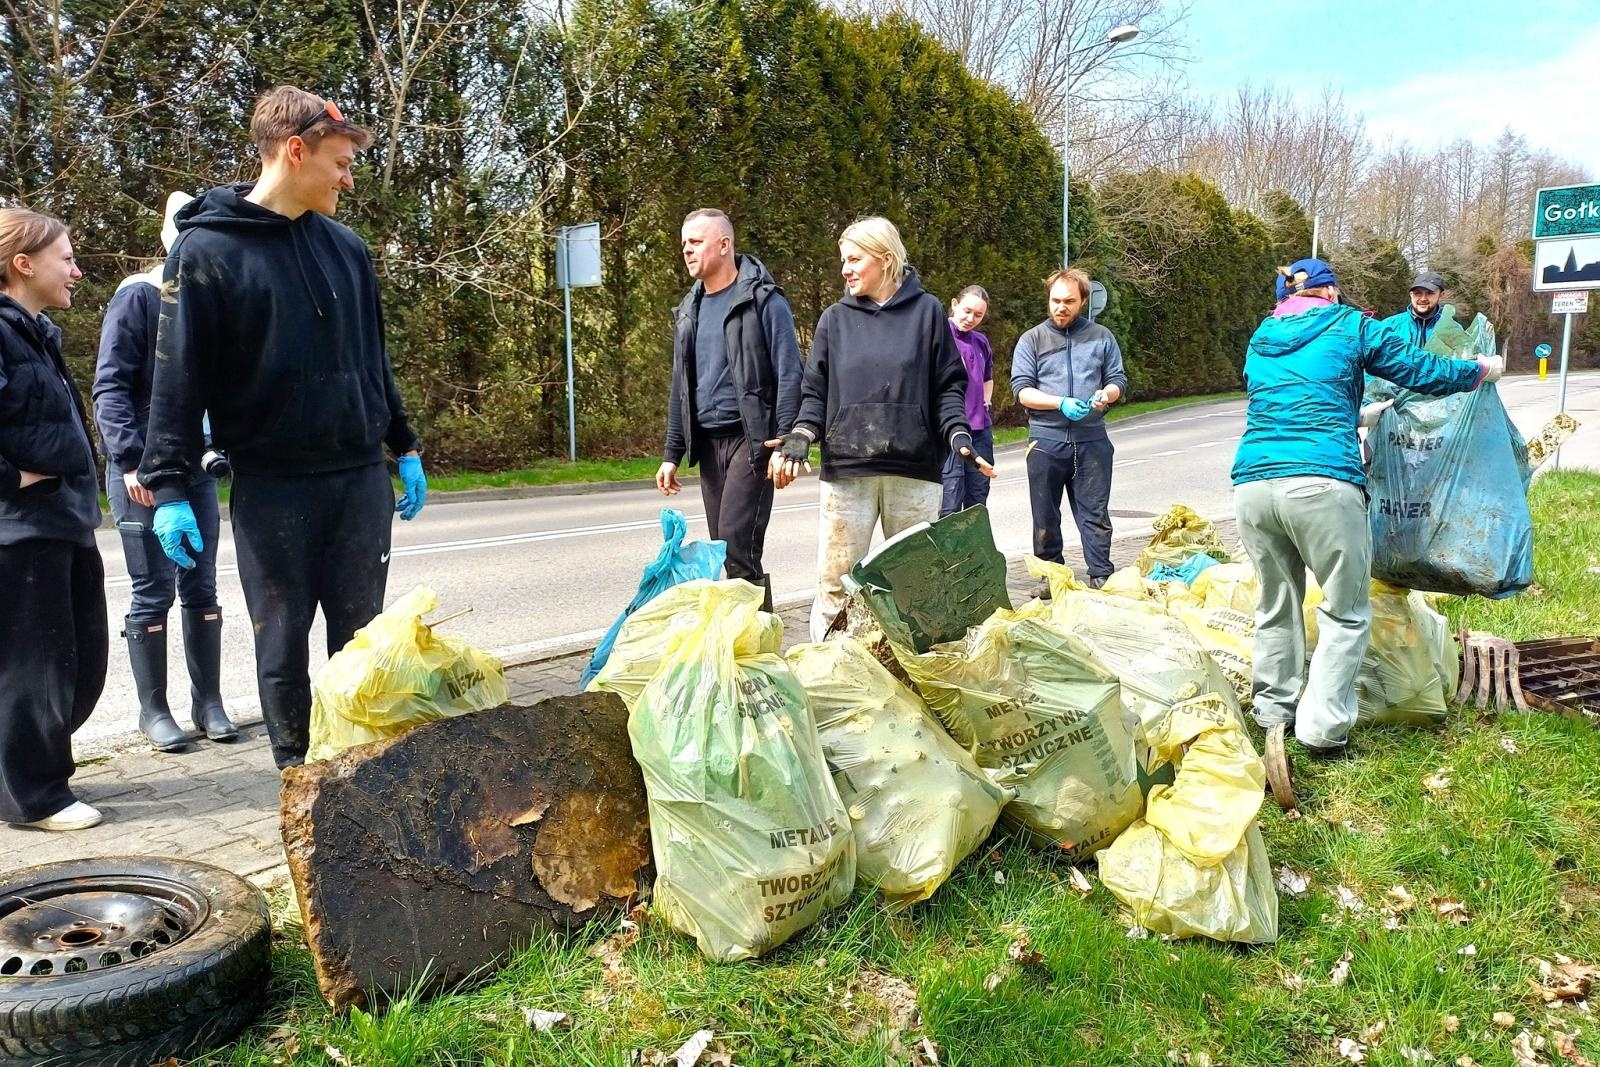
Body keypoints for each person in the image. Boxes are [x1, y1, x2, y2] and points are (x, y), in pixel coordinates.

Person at [139, 86, 427, 769]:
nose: (349, 178)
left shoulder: (346, 247)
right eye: (341, 161)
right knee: (282, 644)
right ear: (296, 151)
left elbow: (371, 354)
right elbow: (178, 376)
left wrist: (403, 443)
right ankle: (298, 777)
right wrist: (169, 484)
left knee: (360, 644)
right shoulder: (206, 252)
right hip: (275, 484)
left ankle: (359, 776)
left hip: (357, 478)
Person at [1231, 258, 1502, 757]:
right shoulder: (1349, 324)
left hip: (1252, 486)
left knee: (1275, 603)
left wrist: (1355, 412)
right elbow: (1416, 368)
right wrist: (1478, 370)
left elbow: (1287, 401)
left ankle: (1273, 712)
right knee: (1345, 611)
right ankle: (1322, 732)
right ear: (1330, 291)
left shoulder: (1261, 337)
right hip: (1321, 484)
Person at [767, 216, 994, 641]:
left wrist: (958, 434)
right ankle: (833, 675)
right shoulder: (834, 319)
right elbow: (815, 392)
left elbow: (947, 386)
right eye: (843, 261)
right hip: (847, 474)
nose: (845, 269)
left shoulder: (927, 313)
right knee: (836, 584)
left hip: (914, 472)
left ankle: (917, 671)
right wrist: (800, 434)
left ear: (885, 259)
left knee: (917, 587)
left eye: (854, 259)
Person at [94, 191, 238, 752]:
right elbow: (110, 387)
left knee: (201, 584)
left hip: (196, 467)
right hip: (142, 472)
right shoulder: (139, 295)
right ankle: (153, 711)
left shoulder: (211, 298)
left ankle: (210, 704)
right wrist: (131, 460)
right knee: (151, 589)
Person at [0, 207, 109, 830]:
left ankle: (46, 777)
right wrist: (10, 479)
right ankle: (33, 799)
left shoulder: (34, 331)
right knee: (33, 670)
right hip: (21, 530)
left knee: (77, 663)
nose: (75, 270)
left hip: (64, 522)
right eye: (65, 258)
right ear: (24, 264)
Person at [656, 208, 802, 608]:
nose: (686, 250)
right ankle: (747, 647)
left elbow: (790, 372)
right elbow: (681, 386)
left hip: (750, 442)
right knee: (724, 550)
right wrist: (671, 452)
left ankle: (759, 652)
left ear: (724, 244)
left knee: (738, 547)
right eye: (684, 243)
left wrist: (788, 443)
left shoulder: (763, 301)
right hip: (708, 444)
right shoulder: (690, 309)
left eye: (695, 241)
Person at [1011, 268, 1126, 596]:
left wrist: (1108, 394)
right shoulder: (1031, 339)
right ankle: (1051, 578)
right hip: (1046, 441)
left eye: (1069, 302)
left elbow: (1117, 380)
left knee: (1095, 512)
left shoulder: (1102, 337)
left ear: (1083, 301)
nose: (1061, 307)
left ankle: (1101, 574)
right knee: (1045, 515)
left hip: (1092, 440)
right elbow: (1021, 390)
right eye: (1055, 300)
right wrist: (1059, 402)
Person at [940, 285, 995, 517]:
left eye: (978, 315)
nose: (970, 318)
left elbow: (987, 378)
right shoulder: (939, 336)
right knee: (949, 503)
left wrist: (985, 402)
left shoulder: (981, 341)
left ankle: (970, 553)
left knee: (977, 502)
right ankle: (944, 554)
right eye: (966, 310)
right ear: (954, 305)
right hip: (950, 435)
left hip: (980, 433)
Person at [1382, 271, 1451, 347]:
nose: (1423, 299)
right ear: (1411, 295)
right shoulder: (1389, 326)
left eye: (1430, 293)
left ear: (1441, 295)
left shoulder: (1452, 330)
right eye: (1418, 293)